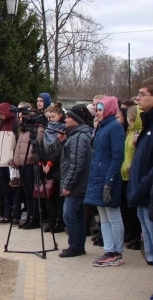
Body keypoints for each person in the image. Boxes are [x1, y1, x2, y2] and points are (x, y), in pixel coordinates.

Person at [85, 96, 125, 266]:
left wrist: (109, 181)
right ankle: (109, 249)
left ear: (108, 110)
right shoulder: (101, 128)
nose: (97, 112)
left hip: (108, 178)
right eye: (97, 109)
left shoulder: (114, 128)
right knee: (104, 217)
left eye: (100, 109)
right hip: (97, 178)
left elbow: (117, 157)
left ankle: (116, 251)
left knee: (113, 216)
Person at [58, 106, 93, 258]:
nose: (65, 119)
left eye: (68, 117)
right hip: (78, 183)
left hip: (77, 184)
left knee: (69, 214)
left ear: (77, 120)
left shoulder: (79, 137)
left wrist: (68, 184)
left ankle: (75, 246)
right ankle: (78, 245)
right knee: (76, 214)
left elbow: (76, 164)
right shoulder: (75, 136)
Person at [128, 77, 153, 266]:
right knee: (149, 249)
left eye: (142, 95)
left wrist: (143, 185)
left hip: (147, 195)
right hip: (141, 195)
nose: (138, 99)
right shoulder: (147, 125)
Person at [41, 103, 66, 233]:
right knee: (49, 195)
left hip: (58, 166)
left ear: (60, 116)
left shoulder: (63, 129)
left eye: (53, 117)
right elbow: (42, 146)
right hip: (46, 166)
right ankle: (52, 219)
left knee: (58, 197)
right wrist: (42, 161)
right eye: (49, 117)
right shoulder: (47, 130)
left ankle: (59, 221)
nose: (51, 120)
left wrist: (50, 162)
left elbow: (60, 149)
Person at [121, 106, 142, 250]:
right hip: (124, 174)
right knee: (127, 209)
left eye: (132, 118)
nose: (130, 120)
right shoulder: (129, 132)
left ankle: (137, 236)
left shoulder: (140, 133)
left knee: (134, 211)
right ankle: (132, 234)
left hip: (133, 175)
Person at [0, 102, 17, 224]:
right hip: (0, 161)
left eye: (1, 113)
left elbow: (16, 142)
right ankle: (6, 213)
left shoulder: (15, 123)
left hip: (10, 163)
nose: (0, 116)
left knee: (11, 191)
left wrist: (14, 159)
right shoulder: (1, 124)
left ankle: (12, 214)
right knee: (4, 190)